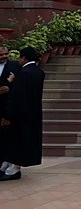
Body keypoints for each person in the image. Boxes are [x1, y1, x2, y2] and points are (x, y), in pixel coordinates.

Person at [0, 46, 45, 181]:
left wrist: (7, 115)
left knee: (16, 141)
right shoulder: (38, 72)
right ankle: (7, 165)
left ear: (24, 58)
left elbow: (16, 96)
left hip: (19, 114)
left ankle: (13, 169)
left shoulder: (24, 73)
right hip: (32, 113)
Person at [0, 46, 20, 172]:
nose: (4, 56)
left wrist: (10, 86)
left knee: (7, 136)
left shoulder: (15, 66)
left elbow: (20, 85)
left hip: (7, 107)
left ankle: (6, 161)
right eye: (1, 54)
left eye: (6, 54)